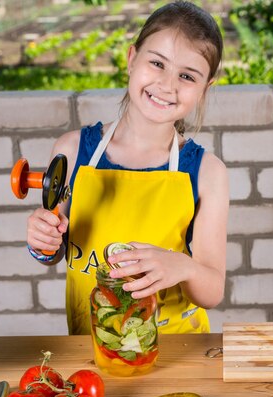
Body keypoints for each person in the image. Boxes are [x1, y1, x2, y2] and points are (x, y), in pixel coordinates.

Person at [25, 0, 228, 336]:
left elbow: (212, 291)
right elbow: (52, 251)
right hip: (93, 345)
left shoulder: (208, 172)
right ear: (132, 60)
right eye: (157, 63)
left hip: (178, 352)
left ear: (204, 89)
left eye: (187, 76)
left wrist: (184, 267)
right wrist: (42, 241)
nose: (167, 84)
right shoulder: (73, 151)